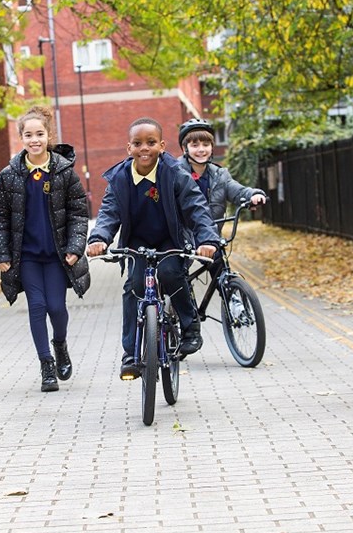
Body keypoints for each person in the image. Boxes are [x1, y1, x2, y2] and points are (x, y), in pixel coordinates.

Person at [86, 117, 220, 380]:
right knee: (134, 287)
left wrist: (207, 240)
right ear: (129, 148)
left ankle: (190, 327)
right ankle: (130, 355)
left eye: (150, 143)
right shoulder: (120, 178)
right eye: (137, 143)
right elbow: (109, 212)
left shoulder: (175, 173)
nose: (144, 148)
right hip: (137, 241)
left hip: (170, 239)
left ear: (161, 145)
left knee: (171, 274)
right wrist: (98, 239)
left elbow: (196, 208)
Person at [0, 105, 91, 392]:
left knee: (57, 308)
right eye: (28, 135)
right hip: (28, 257)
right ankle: (46, 364)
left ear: (48, 136)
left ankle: (59, 344)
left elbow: (78, 213)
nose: (34, 140)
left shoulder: (64, 172)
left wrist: (75, 246)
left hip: (58, 256)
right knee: (37, 306)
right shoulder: (8, 176)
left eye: (39, 134)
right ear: (21, 138)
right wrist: (2, 255)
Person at [176, 117, 267, 283]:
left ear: (212, 147)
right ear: (185, 148)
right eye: (195, 145)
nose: (201, 150)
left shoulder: (220, 175)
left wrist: (253, 195)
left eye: (206, 144)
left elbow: (237, 190)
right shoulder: (173, 173)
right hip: (182, 237)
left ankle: (233, 302)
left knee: (223, 275)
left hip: (210, 236)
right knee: (177, 280)